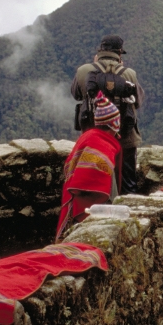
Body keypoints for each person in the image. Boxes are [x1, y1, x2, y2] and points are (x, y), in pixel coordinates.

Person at [71, 34, 144, 195]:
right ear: (119, 54)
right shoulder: (129, 73)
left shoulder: (83, 71)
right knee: (128, 183)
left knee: (94, 180)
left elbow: (76, 94)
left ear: (100, 51)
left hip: (93, 137)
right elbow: (137, 102)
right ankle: (128, 213)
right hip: (125, 137)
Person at [56, 92, 123, 242]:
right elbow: (101, 180)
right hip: (89, 202)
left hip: (74, 197)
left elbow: (70, 164)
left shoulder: (88, 136)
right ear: (114, 124)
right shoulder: (103, 145)